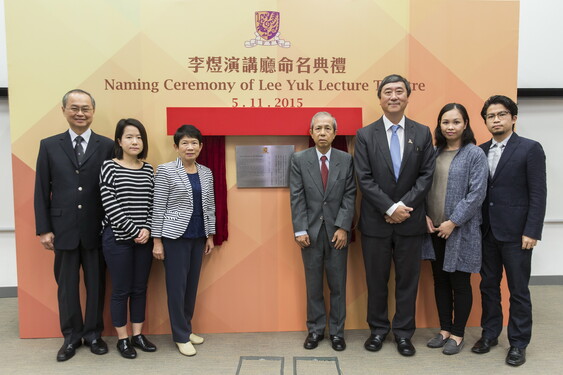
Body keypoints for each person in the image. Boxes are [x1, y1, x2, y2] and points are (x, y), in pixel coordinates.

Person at [354, 74, 434, 356]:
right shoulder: (365, 135)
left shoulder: (423, 132)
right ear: (380, 98)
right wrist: (389, 208)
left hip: (410, 222)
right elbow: (364, 178)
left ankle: (403, 334)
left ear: (408, 97)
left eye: (399, 91)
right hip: (376, 222)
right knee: (376, 281)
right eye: (388, 91)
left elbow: (426, 176)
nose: (394, 96)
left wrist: (402, 209)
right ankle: (377, 330)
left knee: (407, 281)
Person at [34, 89, 114, 361]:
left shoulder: (106, 145)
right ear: (64, 110)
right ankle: (70, 337)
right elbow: (41, 189)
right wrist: (44, 228)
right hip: (62, 229)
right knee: (66, 287)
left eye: (86, 108)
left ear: (93, 111)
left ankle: (93, 334)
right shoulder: (49, 145)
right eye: (74, 108)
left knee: (96, 285)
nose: (80, 113)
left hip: (96, 229)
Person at [471, 95, 547, 367]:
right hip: (486, 232)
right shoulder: (478, 151)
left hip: (517, 235)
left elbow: (538, 193)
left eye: (501, 115)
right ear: (486, 122)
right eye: (490, 116)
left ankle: (518, 343)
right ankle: (490, 334)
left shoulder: (530, 149)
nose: (496, 120)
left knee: (518, 290)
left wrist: (532, 231)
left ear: (513, 118)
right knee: (489, 286)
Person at [423, 103, 488, 355]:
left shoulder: (474, 154)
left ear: (465, 124)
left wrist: (454, 221)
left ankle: (458, 334)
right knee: (439, 280)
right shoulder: (434, 152)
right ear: (439, 125)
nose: (450, 127)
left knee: (460, 282)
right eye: (445, 122)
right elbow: (424, 187)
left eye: (456, 122)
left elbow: (477, 193)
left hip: (461, 230)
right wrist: (425, 216)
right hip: (434, 229)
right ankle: (444, 329)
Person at [289, 112, 356, 352]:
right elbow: (296, 196)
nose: (323, 133)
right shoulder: (298, 159)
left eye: (328, 128)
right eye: (318, 128)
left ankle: (337, 332)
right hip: (310, 234)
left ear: (335, 133)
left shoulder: (346, 160)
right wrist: (300, 229)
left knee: (338, 285)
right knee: (314, 285)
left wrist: (342, 227)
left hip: (337, 234)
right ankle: (315, 330)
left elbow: (350, 195)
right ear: (311, 132)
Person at [151, 125, 215, 356]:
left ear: (200, 146)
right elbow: (157, 208)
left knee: (190, 287)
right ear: (176, 147)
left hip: (198, 235)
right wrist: (157, 241)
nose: (190, 147)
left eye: (194, 143)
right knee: (176, 288)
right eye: (185, 143)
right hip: (173, 237)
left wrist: (210, 235)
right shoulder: (166, 171)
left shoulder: (206, 172)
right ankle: (179, 335)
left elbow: (209, 206)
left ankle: (187, 329)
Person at [100, 119, 157, 359]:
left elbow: (152, 204)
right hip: (117, 239)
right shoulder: (109, 167)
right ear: (119, 141)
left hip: (144, 240)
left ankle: (137, 335)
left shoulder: (148, 169)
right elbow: (109, 204)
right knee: (121, 290)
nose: (135, 141)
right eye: (129, 137)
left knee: (140, 289)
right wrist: (134, 229)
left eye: (139, 137)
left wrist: (146, 229)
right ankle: (122, 339)